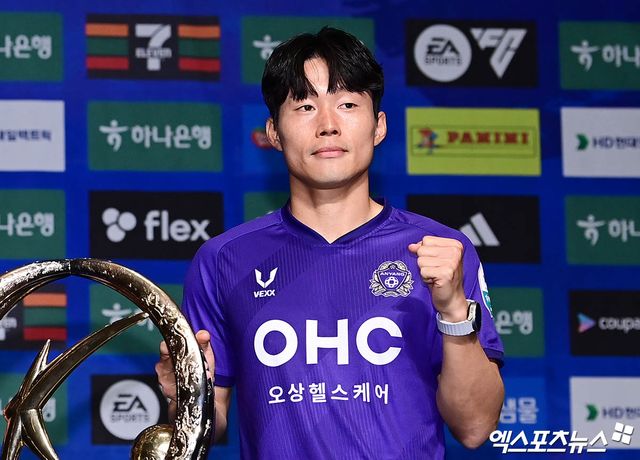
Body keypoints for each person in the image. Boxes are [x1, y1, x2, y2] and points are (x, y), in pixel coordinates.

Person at [156, 26, 504, 459]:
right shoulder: (223, 260)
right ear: (274, 132)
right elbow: (208, 429)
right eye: (305, 106)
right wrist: (186, 398)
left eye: (347, 104)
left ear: (378, 126)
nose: (327, 125)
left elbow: (475, 427)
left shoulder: (441, 252)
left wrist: (453, 313)